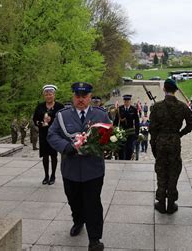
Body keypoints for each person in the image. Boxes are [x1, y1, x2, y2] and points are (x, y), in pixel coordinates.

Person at [48, 82, 110, 251]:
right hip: (71, 169)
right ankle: (78, 220)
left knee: (93, 203)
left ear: (90, 98)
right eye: (78, 96)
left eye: (84, 97)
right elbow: (52, 135)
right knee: (74, 200)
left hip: (93, 169)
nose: (81, 100)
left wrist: (107, 147)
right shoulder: (62, 115)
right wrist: (65, 147)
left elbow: (110, 134)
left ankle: (95, 239)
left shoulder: (101, 115)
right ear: (73, 97)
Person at [149, 78, 192, 214]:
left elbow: (152, 128)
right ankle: (171, 203)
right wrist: (180, 133)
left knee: (161, 170)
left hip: (161, 142)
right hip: (175, 141)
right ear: (176, 90)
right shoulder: (182, 106)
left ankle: (161, 202)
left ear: (164, 89)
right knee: (173, 170)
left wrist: (154, 144)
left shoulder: (157, 107)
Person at [33, 85, 65, 185]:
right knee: (45, 156)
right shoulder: (40, 106)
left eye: (50, 94)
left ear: (54, 95)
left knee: (53, 155)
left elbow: (63, 119)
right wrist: (40, 123)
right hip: (43, 133)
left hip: (55, 134)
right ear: (44, 96)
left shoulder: (60, 106)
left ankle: (53, 175)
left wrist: (53, 121)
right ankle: (46, 175)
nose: (48, 96)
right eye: (46, 94)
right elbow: (35, 119)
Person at [113, 94, 140, 160]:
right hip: (121, 131)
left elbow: (137, 122)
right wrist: (114, 130)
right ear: (123, 101)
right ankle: (121, 160)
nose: (126, 102)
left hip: (130, 131)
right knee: (121, 148)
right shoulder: (120, 109)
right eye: (125, 101)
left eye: (128, 101)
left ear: (130, 101)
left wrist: (136, 132)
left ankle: (128, 160)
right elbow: (116, 121)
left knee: (129, 148)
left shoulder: (133, 109)